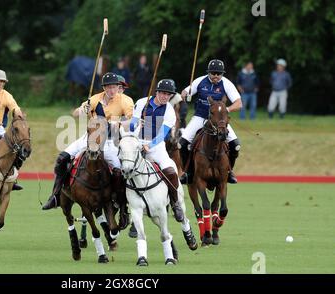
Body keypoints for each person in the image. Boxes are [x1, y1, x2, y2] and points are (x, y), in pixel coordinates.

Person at [42, 72, 134, 228]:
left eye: (114, 87)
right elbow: (75, 114)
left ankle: (121, 204)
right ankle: (56, 196)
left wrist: (114, 122)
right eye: (109, 87)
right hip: (90, 139)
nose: (112, 90)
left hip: (112, 141)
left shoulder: (125, 101)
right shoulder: (94, 99)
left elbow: (131, 121)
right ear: (104, 88)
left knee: (120, 170)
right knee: (62, 158)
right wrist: (82, 109)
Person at [129, 79, 184, 222]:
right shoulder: (142, 102)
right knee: (122, 169)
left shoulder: (169, 111)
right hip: (137, 142)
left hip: (156, 147)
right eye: (163, 93)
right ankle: (122, 207)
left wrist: (149, 145)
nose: (166, 97)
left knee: (170, 171)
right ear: (157, 92)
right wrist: (137, 124)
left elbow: (162, 134)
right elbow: (132, 125)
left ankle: (175, 203)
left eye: (169, 95)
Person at [180, 59, 242, 184]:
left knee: (235, 145)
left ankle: (229, 171)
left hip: (219, 121)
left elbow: (239, 104)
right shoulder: (200, 81)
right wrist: (186, 94)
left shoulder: (226, 84)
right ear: (209, 72)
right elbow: (184, 93)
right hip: (200, 117)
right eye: (213, 73)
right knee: (182, 143)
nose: (216, 76)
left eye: (219, 73)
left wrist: (225, 110)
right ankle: (188, 172)